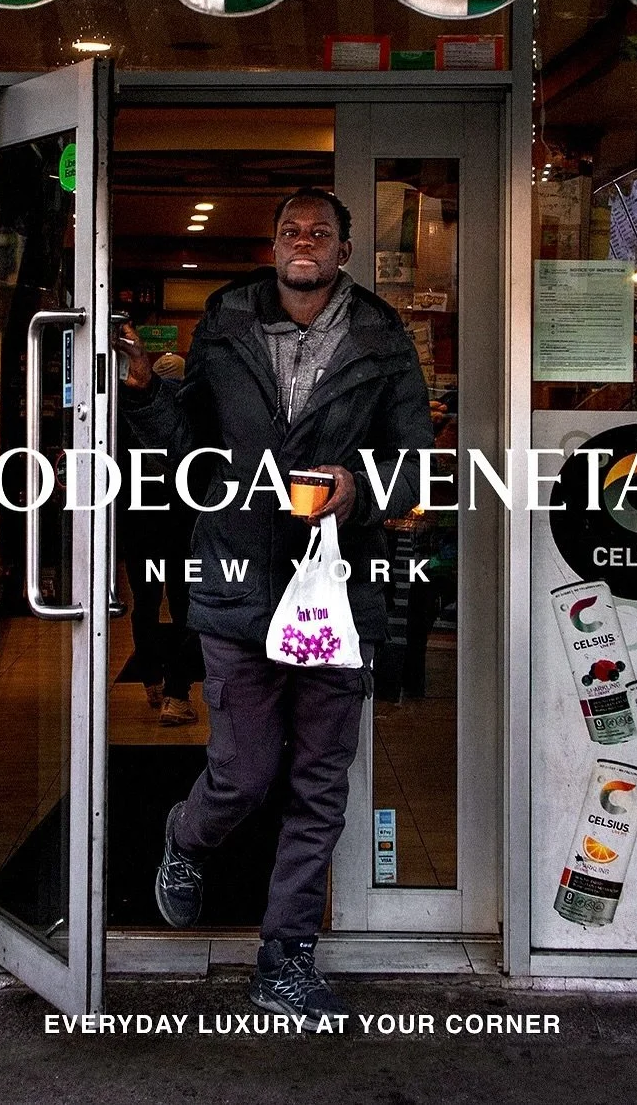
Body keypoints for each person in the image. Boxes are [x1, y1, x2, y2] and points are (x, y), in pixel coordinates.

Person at [114, 187, 433, 1029]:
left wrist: (359, 490)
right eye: (292, 229)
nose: (305, 241)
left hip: (339, 592)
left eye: (320, 232)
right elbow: (185, 452)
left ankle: (284, 957)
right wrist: (145, 392)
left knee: (319, 783)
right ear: (274, 241)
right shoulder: (223, 324)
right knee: (247, 772)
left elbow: (416, 465)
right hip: (239, 587)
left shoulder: (382, 337)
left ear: (343, 247)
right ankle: (186, 836)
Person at [116, 351, 200, 726]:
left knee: (146, 604)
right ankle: (177, 695)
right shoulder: (190, 418)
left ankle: (151, 679)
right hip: (182, 524)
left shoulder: (127, 416)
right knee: (184, 607)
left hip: (140, 525)